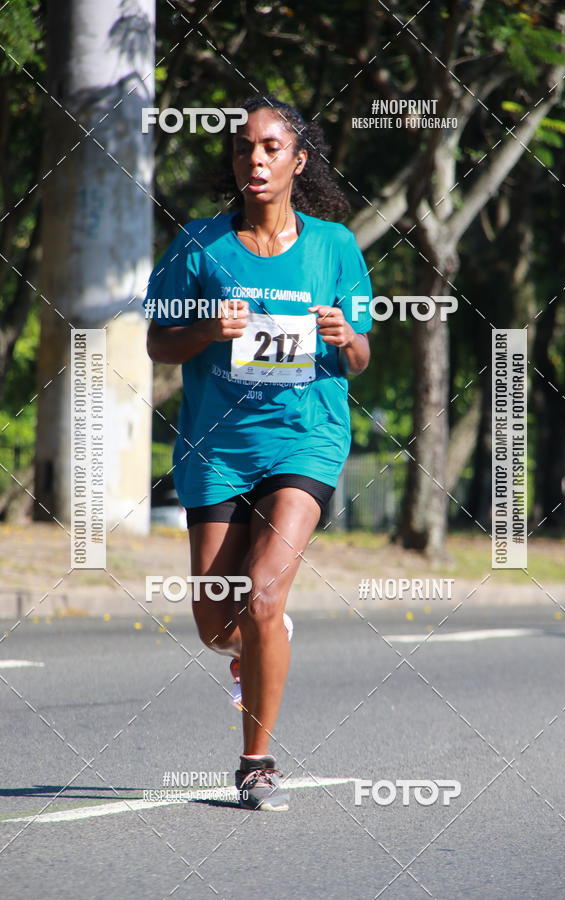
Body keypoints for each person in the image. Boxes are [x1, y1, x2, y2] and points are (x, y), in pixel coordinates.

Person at [144, 95, 372, 811]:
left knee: (265, 590)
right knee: (218, 623)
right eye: (244, 148)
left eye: (271, 147)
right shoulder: (199, 246)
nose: (255, 159)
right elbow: (158, 342)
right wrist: (207, 330)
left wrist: (345, 337)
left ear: (297, 161)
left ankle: (256, 761)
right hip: (217, 447)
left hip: (306, 438)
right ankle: (255, 637)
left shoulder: (335, 247)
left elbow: (363, 355)